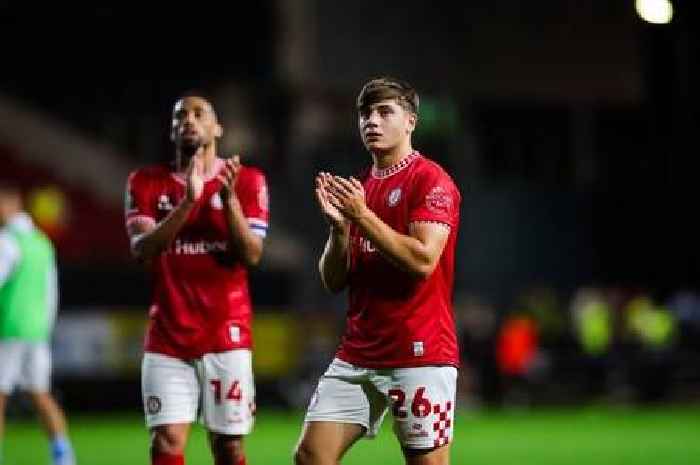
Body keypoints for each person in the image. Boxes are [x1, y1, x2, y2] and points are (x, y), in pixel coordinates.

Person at [294, 77, 462, 465]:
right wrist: (339, 231)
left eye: (385, 112)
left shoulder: (430, 180)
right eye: (366, 113)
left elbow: (422, 260)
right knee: (310, 456)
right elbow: (333, 280)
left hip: (419, 354)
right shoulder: (361, 189)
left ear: (410, 122)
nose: (372, 121)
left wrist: (362, 217)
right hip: (359, 353)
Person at [125, 93, 269, 465]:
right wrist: (189, 202)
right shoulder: (144, 182)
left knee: (228, 446)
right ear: (172, 131)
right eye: (180, 116)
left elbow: (251, 254)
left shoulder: (248, 181)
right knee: (167, 440)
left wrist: (229, 201)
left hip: (227, 333)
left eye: (198, 113)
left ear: (216, 127)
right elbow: (142, 249)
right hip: (168, 335)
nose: (188, 120)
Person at [0, 183, 76, 465]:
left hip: (7, 329)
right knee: (41, 394)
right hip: (36, 333)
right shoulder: (42, 242)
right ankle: (63, 455)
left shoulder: (7, 241)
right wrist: (45, 328)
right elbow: (51, 292)